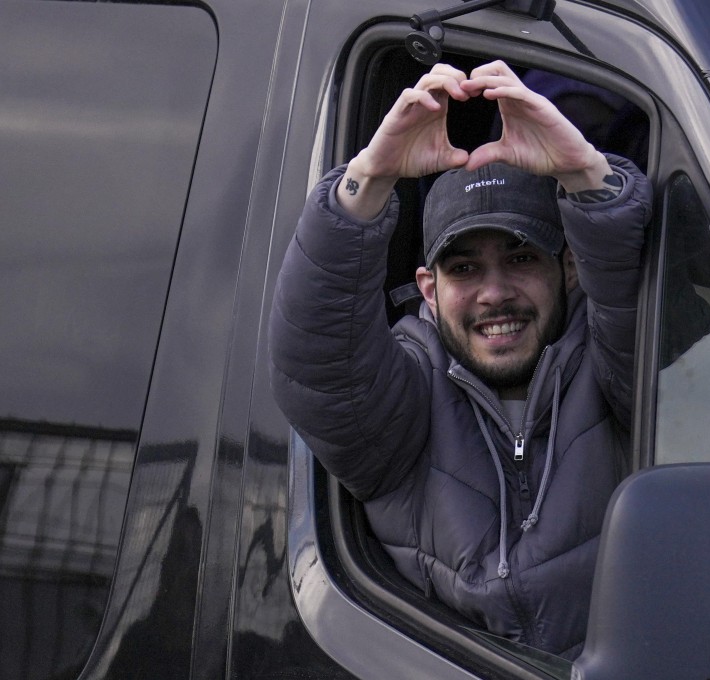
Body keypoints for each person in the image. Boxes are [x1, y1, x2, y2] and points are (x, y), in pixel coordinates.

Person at [269, 59, 652, 659]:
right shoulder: (407, 390)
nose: (494, 292)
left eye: (522, 258)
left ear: (570, 269)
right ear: (428, 288)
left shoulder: (615, 367)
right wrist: (368, 179)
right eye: (464, 268)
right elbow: (316, 364)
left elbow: (644, 313)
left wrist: (583, 171)